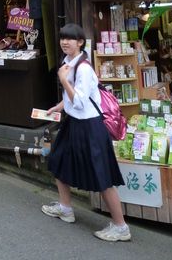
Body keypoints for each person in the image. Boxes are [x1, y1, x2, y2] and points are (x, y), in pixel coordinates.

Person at [42, 23, 131, 242]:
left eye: (70, 39)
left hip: (90, 126)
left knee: (102, 177)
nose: (64, 42)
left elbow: (81, 102)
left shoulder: (83, 68)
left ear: (80, 42)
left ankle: (121, 227)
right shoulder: (68, 63)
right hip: (74, 123)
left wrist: (63, 80)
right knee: (58, 159)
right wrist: (59, 106)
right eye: (62, 38)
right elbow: (73, 98)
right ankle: (65, 208)